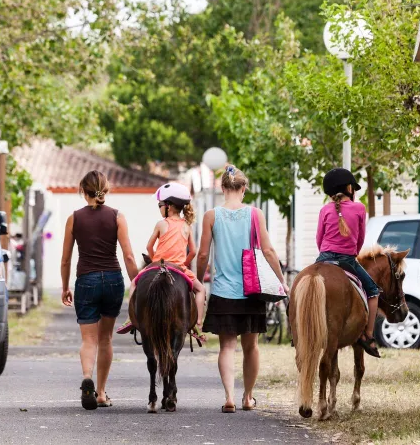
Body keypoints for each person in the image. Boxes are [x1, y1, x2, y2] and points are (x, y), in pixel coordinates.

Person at [196, 165, 289, 413]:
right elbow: (268, 251)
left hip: (223, 292)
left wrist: (196, 281)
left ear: (222, 188)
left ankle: (229, 397)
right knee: (251, 347)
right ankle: (248, 397)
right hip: (251, 290)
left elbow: (203, 253)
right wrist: (281, 281)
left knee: (227, 347)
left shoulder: (211, 215)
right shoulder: (255, 214)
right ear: (244, 188)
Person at [60, 170, 138, 410]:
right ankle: (102, 392)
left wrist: (65, 287)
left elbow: (65, 259)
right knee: (106, 339)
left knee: (89, 340)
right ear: (107, 189)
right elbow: (128, 255)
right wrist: (136, 283)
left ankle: (87, 377)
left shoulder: (74, 218)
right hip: (113, 280)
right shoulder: (117, 216)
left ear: (83, 191)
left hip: (86, 280)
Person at [116, 182, 207, 344]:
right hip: (180, 268)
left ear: (169, 206)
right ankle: (198, 324)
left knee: (135, 284)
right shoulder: (187, 226)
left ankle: (131, 318)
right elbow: (193, 251)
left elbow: (149, 246)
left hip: (158, 264)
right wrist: (182, 264)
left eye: (160, 205)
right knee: (200, 290)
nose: (159, 208)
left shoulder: (161, 224)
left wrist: (154, 261)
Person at [316, 167, 381, 358]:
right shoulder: (360, 208)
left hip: (324, 258)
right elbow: (360, 239)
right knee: (373, 292)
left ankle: (296, 329)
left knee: (300, 285)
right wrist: (351, 252)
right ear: (348, 188)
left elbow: (319, 239)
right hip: (347, 260)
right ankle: (368, 334)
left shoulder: (325, 210)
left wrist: (326, 254)